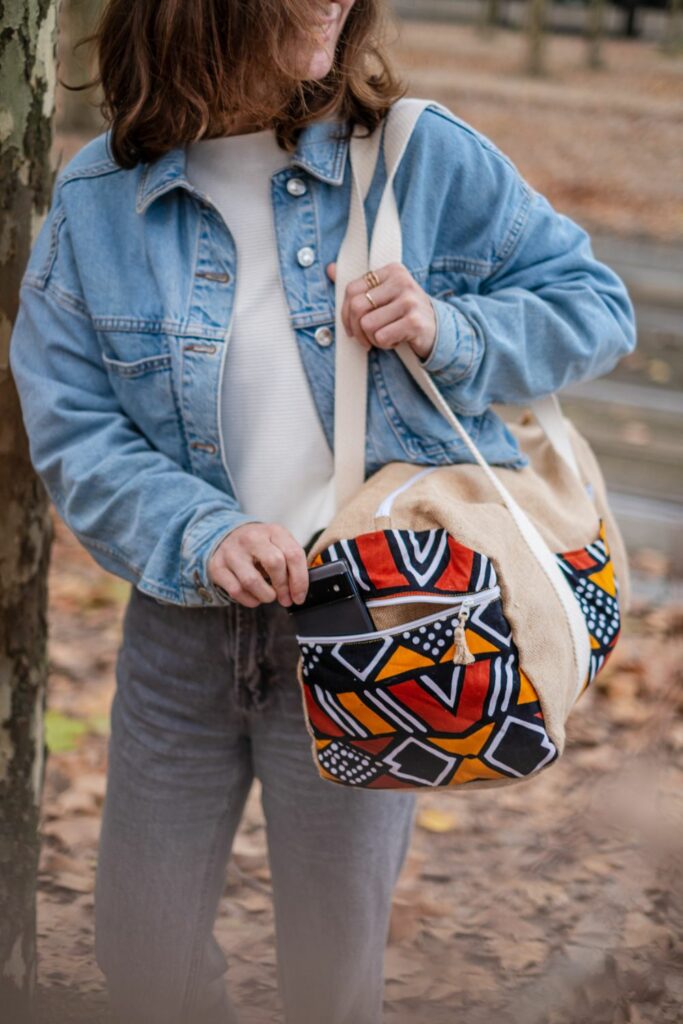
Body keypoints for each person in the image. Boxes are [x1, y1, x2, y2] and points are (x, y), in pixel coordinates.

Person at [9, 1, 636, 1021]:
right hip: (180, 638)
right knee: (141, 955)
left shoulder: (419, 155)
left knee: (329, 974)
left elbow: (592, 304)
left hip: (375, 626)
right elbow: (75, 426)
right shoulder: (95, 205)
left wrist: (453, 328)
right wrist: (201, 532)